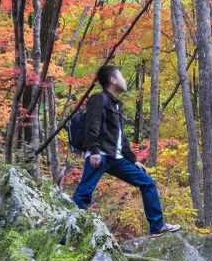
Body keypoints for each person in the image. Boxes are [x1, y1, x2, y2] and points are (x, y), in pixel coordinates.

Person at [72, 65, 180, 235]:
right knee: (85, 191)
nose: (124, 80)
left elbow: (121, 137)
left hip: (116, 158)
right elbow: (92, 125)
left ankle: (157, 226)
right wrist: (93, 150)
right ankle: (69, 231)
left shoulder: (116, 105)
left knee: (147, 182)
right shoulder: (99, 99)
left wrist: (134, 159)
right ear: (113, 80)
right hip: (99, 154)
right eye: (121, 76)